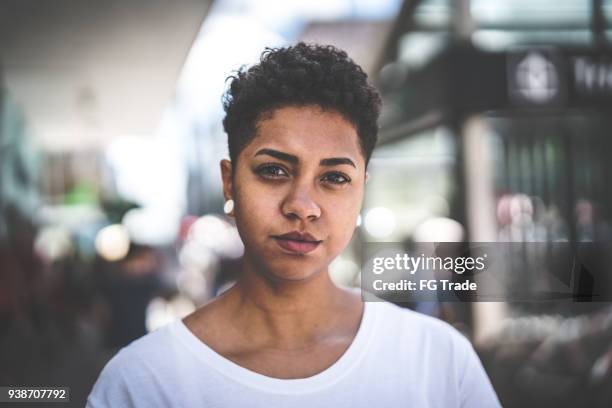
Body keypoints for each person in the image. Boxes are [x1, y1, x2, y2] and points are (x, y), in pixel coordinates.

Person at [86, 42, 501, 407]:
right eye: (273, 171)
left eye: (335, 178)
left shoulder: (438, 360)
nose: (303, 206)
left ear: (360, 191)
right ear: (230, 181)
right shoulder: (144, 383)